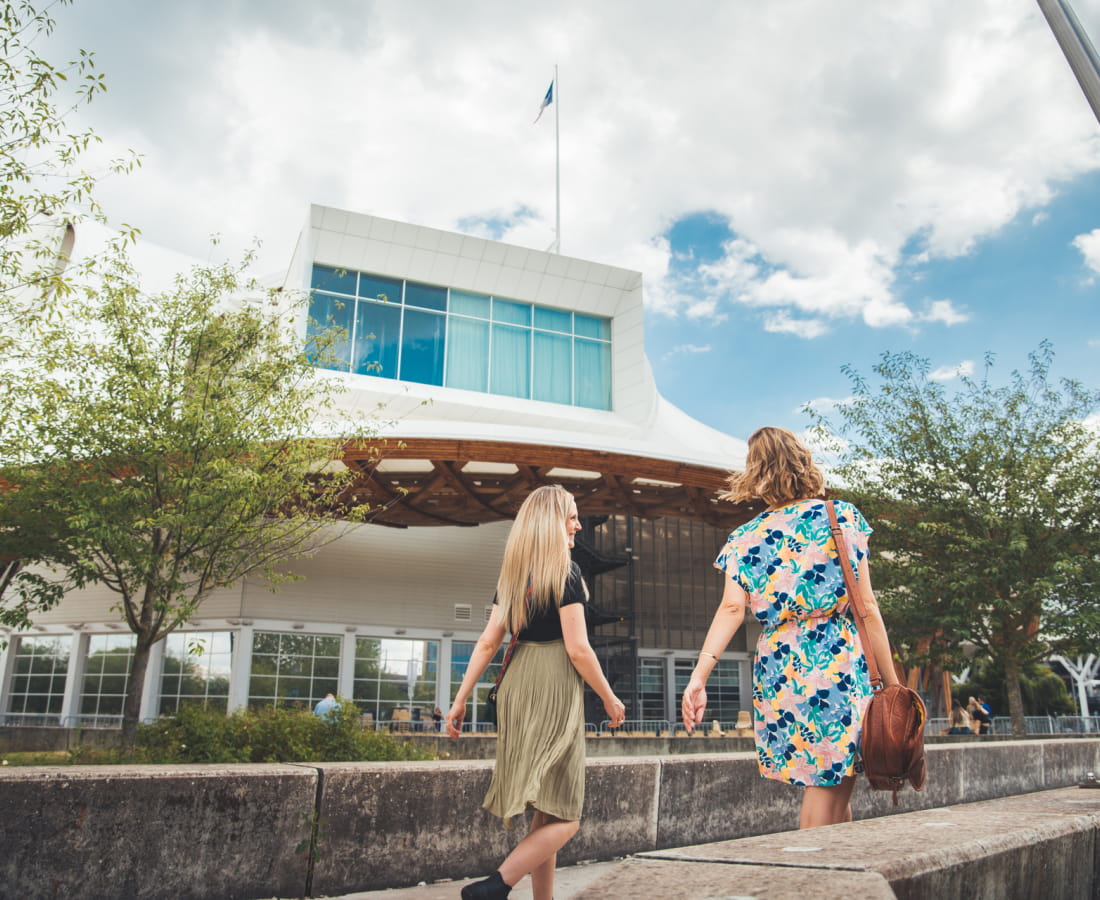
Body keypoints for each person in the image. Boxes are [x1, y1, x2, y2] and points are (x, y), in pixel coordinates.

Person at [681, 426, 900, 830]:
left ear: (757, 473)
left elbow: (731, 609)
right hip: (833, 655)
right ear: (803, 462)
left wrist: (699, 675)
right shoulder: (841, 517)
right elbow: (866, 607)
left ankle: (842, 879)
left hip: (780, 663)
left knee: (835, 779)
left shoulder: (745, 537)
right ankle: (808, 877)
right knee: (829, 781)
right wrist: (893, 683)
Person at [447, 484, 626, 900]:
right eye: (571, 517)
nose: (579, 525)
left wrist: (460, 699)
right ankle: (494, 887)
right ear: (551, 523)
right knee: (568, 815)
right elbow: (579, 648)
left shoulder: (513, 575)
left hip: (517, 683)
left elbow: (488, 643)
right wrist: (608, 696)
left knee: (547, 809)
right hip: (552, 681)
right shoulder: (567, 572)